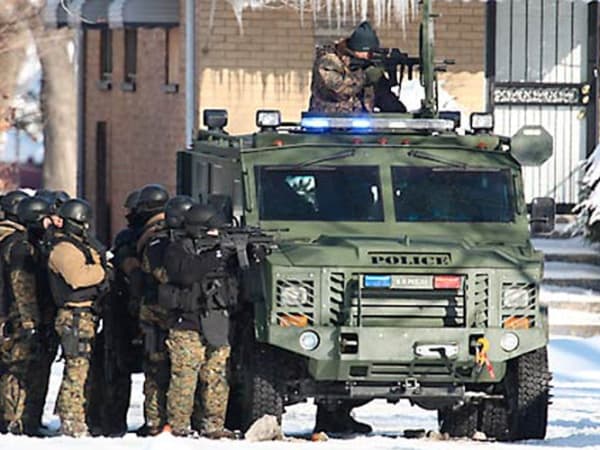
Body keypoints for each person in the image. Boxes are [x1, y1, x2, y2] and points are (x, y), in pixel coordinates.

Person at [162, 204, 236, 438]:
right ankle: (178, 426)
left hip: (215, 322)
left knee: (216, 376)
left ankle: (213, 425)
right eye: (213, 231)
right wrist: (216, 255)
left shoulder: (220, 251)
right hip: (187, 323)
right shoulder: (177, 249)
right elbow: (186, 273)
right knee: (185, 377)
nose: (217, 235)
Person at [47, 199, 109, 437]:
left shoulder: (78, 244)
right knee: (76, 369)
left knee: (83, 368)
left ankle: (76, 416)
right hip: (73, 315)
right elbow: (78, 277)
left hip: (85, 314)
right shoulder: (63, 248)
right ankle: (71, 421)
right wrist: (103, 271)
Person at [98, 188, 144, 436]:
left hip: (124, 310)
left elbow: (130, 271)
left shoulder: (129, 239)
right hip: (150, 311)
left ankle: (114, 424)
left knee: (116, 370)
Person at [0, 194, 47, 435]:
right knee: (19, 368)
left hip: (6, 313)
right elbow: (22, 285)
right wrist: (30, 321)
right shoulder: (19, 245)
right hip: (15, 315)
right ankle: (14, 420)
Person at [134, 184, 171, 436]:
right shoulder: (159, 235)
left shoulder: (150, 236)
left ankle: (156, 420)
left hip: (153, 311)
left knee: (156, 370)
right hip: (168, 312)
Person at [309, 21, 385, 113]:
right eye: (368, 52)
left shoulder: (365, 64)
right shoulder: (328, 60)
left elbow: (379, 95)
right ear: (357, 48)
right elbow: (338, 90)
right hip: (329, 117)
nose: (369, 55)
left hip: (358, 118)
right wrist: (365, 77)